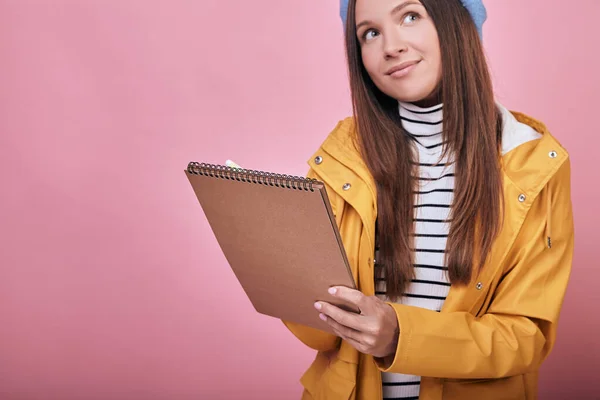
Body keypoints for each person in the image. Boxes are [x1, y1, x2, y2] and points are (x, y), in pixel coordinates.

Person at [281, 0, 575, 399]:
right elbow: (320, 337)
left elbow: (524, 337)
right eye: (370, 32)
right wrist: (277, 264)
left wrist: (399, 336)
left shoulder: (533, 162)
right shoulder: (341, 158)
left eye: (410, 16)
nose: (391, 46)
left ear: (458, 22)